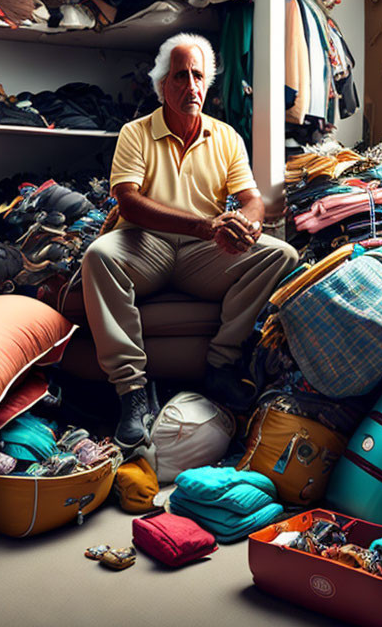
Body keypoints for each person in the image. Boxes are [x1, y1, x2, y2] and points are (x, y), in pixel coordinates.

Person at [81, 32, 298, 451]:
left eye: (198, 75)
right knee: (98, 255)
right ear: (163, 85)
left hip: (204, 252)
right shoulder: (136, 133)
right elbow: (128, 203)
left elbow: (253, 200)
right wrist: (203, 225)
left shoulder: (227, 137)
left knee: (280, 255)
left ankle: (220, 364)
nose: (191, 85)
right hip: (146, 245)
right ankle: (132, 392)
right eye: (180, 76)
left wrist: (247, 226)